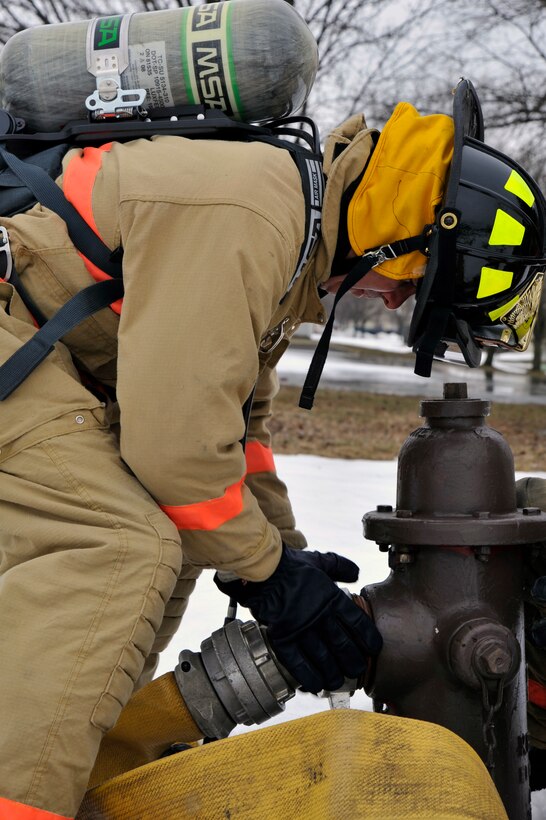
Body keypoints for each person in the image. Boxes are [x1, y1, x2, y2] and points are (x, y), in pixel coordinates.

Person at [0, 76, 545, 819]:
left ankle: (72, 757)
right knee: (123, 543)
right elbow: (176, 450)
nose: (391, 301)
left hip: (33, 350)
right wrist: (272, 581)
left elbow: (233, 430)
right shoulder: (256, 213)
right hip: (16, 337)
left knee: (182, 542)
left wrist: (284, 556)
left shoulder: (292, 230)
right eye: (412, 286)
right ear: (400, 236)